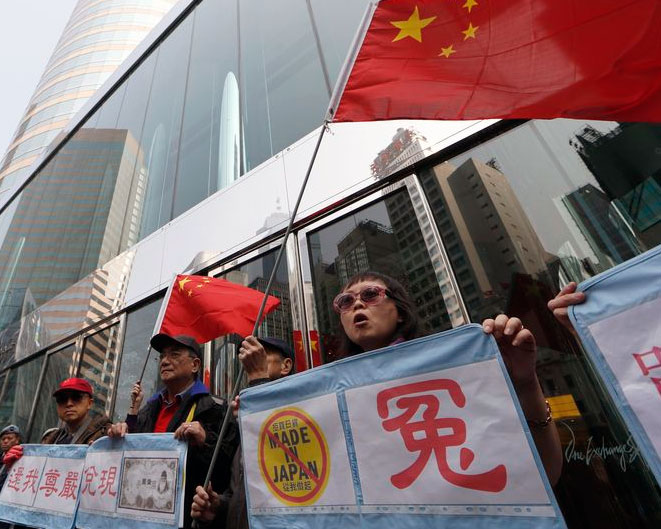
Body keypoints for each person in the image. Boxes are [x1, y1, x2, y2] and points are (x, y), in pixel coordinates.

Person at [333, 271, 563, 485]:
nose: (358, 304)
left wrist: (525, 384)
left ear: (400, 312)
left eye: (370, 294)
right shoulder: (334, 397)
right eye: (346, 301)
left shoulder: (455, 370)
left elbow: (544, 474)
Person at [107, 333, 237, 529]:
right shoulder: (148, 410)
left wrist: (205, 440)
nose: (165, 361)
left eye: (174, 355)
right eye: (162, 356)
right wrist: (120, 433)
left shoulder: (216, 409)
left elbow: (229, 470)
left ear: (195, 365)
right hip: (140, 517)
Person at [191, 336, 294, 529]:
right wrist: (218, 507)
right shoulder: (245, 418)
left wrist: (259, 379)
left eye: (261, 354)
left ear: (285, 365)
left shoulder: (300, 414)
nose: (250, 359)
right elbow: (240, 492)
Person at [42, 377, 111, 445]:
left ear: (89, 403)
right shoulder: (50, 439)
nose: (69, 404)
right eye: (62, 399)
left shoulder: (107, 434)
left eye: (76, 397)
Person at [0, 425, 21, 491]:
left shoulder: (22, 459)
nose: (5, 441)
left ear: (17, 440)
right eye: (3, 439)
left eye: (9, 438)